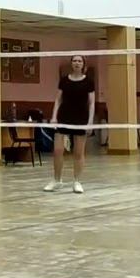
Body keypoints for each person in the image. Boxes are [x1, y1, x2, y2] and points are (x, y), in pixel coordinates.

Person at [44, 55, 95, 194]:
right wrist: (54, 117)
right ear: (71, 64)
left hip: (81, 118)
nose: (77, 63)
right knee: (57, 150)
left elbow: (91, 103)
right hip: (64, 116)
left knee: (78, 152)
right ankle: (57, 180)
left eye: (79, 61)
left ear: (83, 64)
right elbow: (58, 100)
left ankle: (77, 181)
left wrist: (90, 122)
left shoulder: (89, 82)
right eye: (74, 61)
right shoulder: (64, 80)